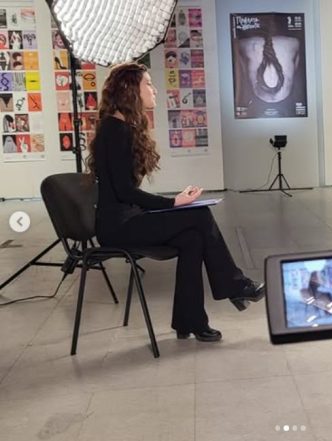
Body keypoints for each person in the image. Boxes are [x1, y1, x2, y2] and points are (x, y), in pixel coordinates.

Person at [86, 62, 264, 342]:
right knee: (199, 215)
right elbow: (124, 192)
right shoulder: (115, 130)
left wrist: (175, 204)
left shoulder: (120, 128)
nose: (154, 89)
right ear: (130, 90)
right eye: (148, 83)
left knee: (193, 238)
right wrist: (172, 204)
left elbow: (125, 193)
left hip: (129, 219)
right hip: (117, 227)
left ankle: (190, 321)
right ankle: (235, 285)